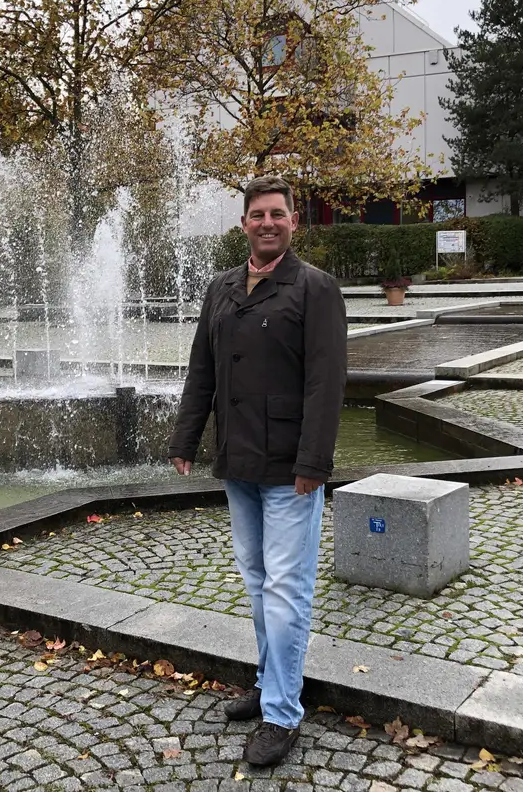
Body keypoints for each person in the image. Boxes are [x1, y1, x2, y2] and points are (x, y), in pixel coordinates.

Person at [167, 174, 347, 767]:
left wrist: (314, 463)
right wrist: (185, 437)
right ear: (243, 223)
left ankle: (283, 713)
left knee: (286, 589)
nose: (268, 223)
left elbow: (326, 384)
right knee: (256, 581)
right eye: (257, 215)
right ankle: (272, 683)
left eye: (278, 214)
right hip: (239, 459)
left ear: (295, 222)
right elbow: (203, 371)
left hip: (291, 465)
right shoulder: (221, 289)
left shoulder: (314, 288)